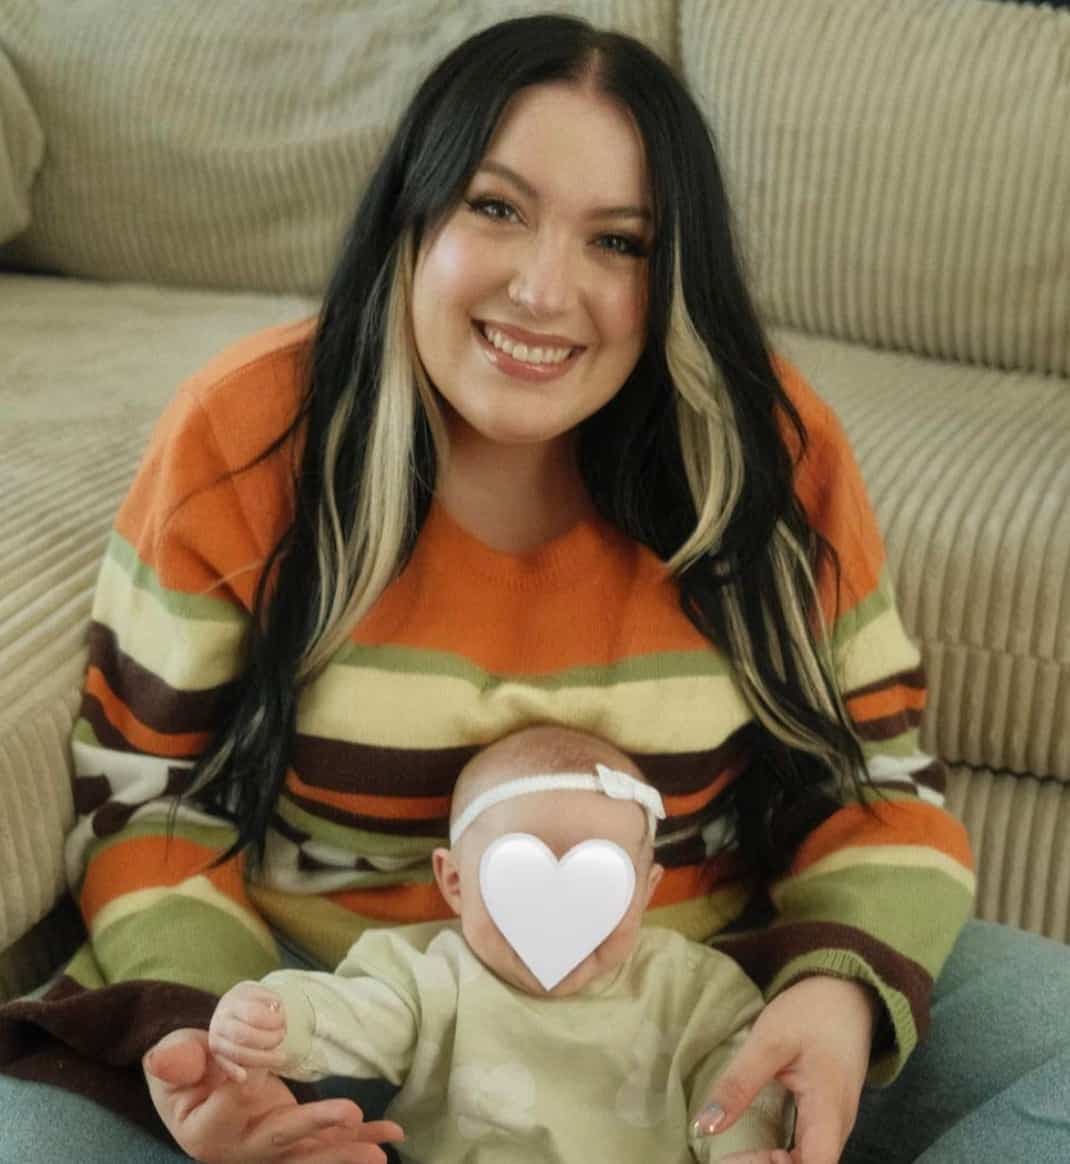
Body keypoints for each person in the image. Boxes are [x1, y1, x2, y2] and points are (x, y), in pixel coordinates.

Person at [0, 12, 1066, 1164]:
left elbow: (874, 777)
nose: (545, 292)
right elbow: (152, 796)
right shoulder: (248, 429)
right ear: (413, 211)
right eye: (497, 208)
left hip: (692, 1009)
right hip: (328, 1000)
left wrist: (836, 993)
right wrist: (220, 1049)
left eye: (618, 241)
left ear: (673, 272)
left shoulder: (766, 447)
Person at [205, 724, 794, 1164]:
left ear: (645, 891)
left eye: (601, 885)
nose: (560, 917)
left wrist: (743, 1148)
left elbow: (740, 1070)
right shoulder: (432, 974)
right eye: (517, 882)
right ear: (455, 882)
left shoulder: (691, 988)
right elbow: (359, 1013)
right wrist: (281, 1017)